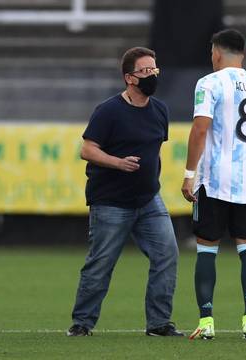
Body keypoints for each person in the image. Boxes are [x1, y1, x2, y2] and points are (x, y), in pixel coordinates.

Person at [66, 47, 182, 337]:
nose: (153, 75)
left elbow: (154, 151)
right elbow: (87, 149)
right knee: (101, 263)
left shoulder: (160, 109)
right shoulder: (108, 111)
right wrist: (118, 163)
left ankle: (158, 323)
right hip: (111, 202)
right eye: (146, 71)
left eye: (155, 69)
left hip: (148, 199)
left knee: (167, 254)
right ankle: (82, 323)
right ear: (130, 78)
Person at [181, 29, 246, 340]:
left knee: (207, 249)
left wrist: (190, 174)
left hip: (215, 180)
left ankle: (206, 323)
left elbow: (200, 129)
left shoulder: (209, 82)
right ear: (242, 54)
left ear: (216, 53)